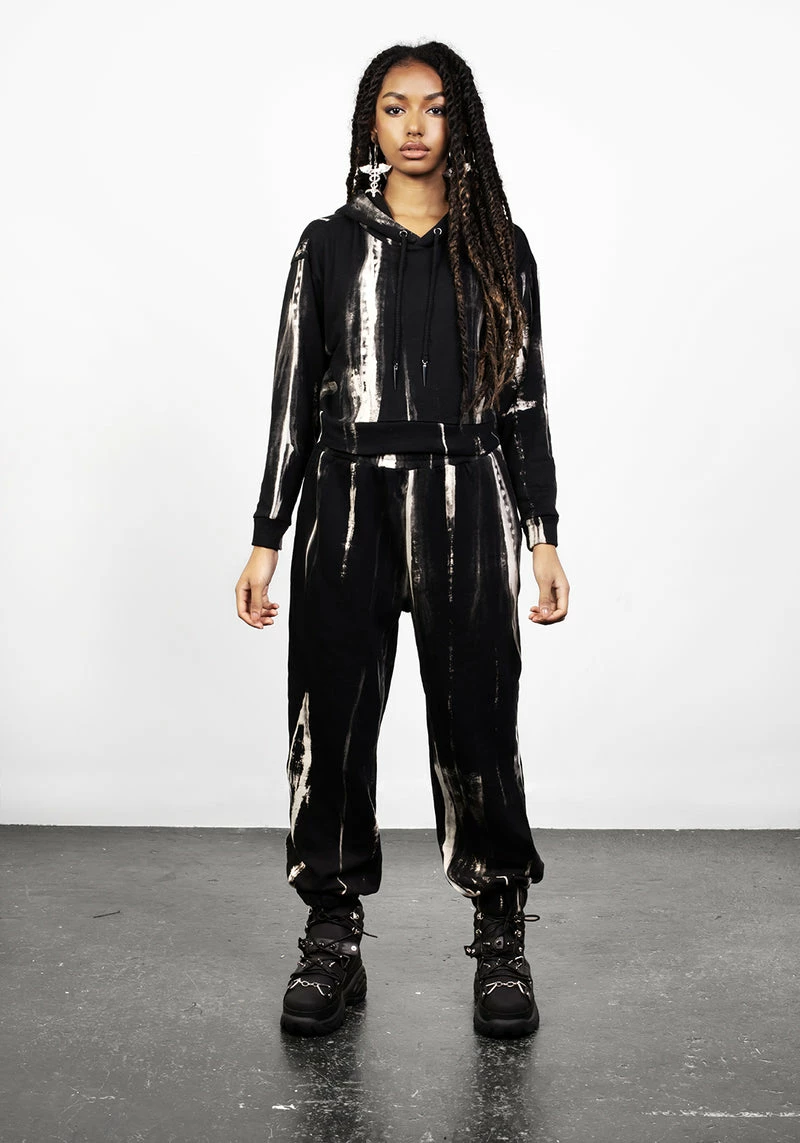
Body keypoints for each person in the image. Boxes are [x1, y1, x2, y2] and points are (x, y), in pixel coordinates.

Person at [235, 40, 570, 1040]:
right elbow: (294, 397)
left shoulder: (498, 248)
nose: (414, 125)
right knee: (330, 715)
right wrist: (266, 535)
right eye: (394, 106)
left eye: (432, 107)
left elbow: (521, 402)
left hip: (464, 495)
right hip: (344, 501)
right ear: (370, 123)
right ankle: (331, 936)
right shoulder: (327, 246)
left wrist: (542, 535)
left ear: (458, 121)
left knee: (478, 719)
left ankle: (499, 933)